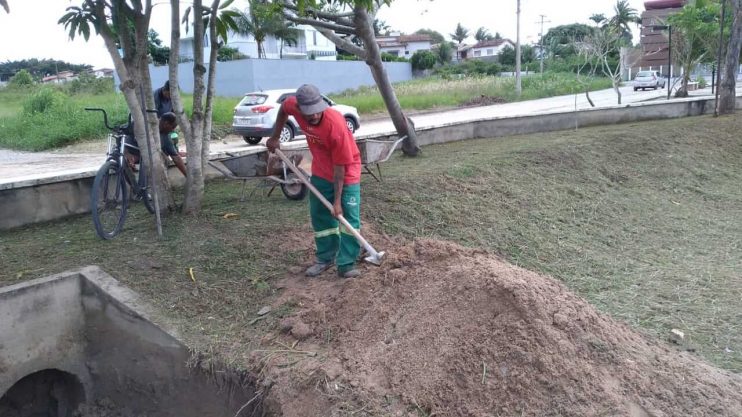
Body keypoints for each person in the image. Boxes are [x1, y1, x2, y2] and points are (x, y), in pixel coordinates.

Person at [266, 84, 362, 278]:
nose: (315, 115)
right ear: (300, 108)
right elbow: (284, 108)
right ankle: (326, 257)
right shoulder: (294, 105)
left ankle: (346, 264)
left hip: (346, 172)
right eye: (309, 112)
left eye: (318, 111)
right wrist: (275, 137)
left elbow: (340, 168)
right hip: (320, 171)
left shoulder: (336, 126)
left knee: (348, 217)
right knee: (320, 215)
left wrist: (337, 202)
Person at [124, 112, 187, 177]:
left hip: (142, 158)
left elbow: (176, 157)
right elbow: (121, 137)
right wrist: (126, 153)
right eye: (172, 127)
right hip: (128, 153)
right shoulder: (141, 124)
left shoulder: (165, 137)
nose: (172, 130)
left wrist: (188, 175)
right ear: (166, 124)